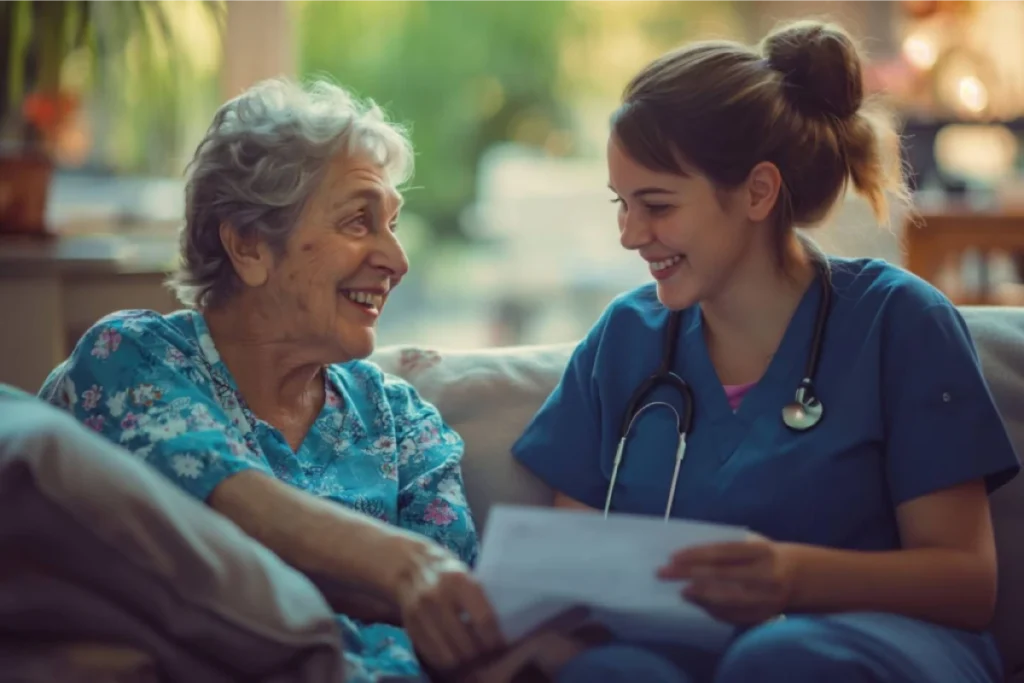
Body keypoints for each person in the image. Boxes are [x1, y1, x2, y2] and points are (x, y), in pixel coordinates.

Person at [511, 19, 1021, 683]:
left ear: (758, 190)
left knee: (778, 661)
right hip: (681, 655)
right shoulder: (625, 341)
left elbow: (966, 582)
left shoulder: (900, 323)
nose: (630, 234)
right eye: (623, 204)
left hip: (882, 645)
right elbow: (570, 565)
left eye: (657, 205)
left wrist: (793, 576)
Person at [38, 78, 504, 682]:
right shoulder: (131, 356)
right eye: (360, 222)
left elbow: (453, 610)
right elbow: (222, 498)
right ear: (249, 245)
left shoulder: (400, 419)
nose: (397, 258)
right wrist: (395, 566)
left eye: (392, 223)